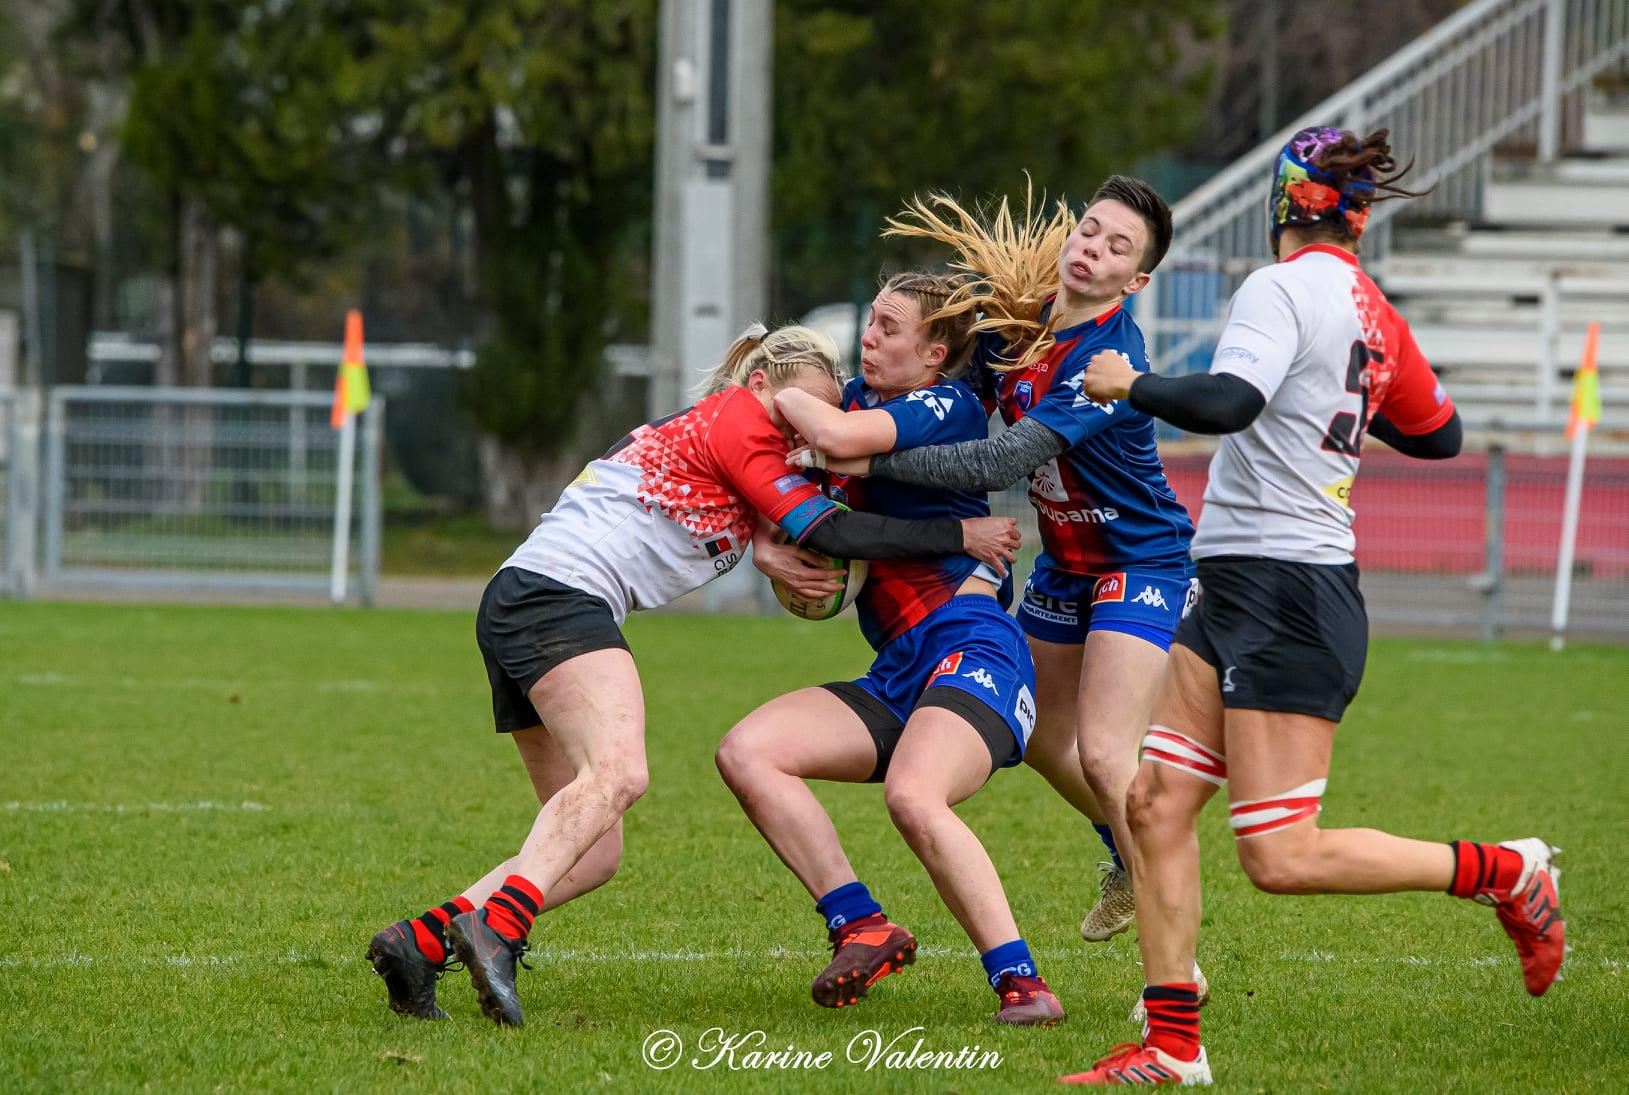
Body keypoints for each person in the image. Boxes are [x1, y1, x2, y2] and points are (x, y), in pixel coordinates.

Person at [1060, 127, 1564, 1086]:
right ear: (1357, 216)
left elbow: (1226, 404)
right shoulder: (1369, 307)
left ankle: (1505, 871)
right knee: (1155, 804)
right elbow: (1440, 434)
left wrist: (1133, 384)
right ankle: (1173, 1046)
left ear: (1281, 205)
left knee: (1279, 856)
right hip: (1246, 580)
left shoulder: (1278, 287)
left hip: (1290, 588)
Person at [364, 323, 1021, 1028]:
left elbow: (769, 513)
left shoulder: (739, 438)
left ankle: (421, 939)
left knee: (592, 850)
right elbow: (829, 531)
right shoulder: (738, 417)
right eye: (798, 410)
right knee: (619, 774)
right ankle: (499, 927)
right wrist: (958, 535)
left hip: (526, 600)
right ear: (761, 384)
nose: (805, 432)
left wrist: (767, 548)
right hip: (556, 599)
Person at [813, 178, 1203, 963]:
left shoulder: (1109, 361)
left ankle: (1174, 966)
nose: (1092, 247)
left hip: (1140, 561)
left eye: (1116, 246)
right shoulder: (1017, 331)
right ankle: (1127, 856)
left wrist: (857, 446)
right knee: (1046, 739)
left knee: (1101, 750)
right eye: (1089, 230)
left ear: (1136, 282)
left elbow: (1001, 455)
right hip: (1065, 565)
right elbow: (947, 388)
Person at [717, 272, 1063, 1025]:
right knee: (747, 751)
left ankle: (1022, 983)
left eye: (887, 327)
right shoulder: (846, 398)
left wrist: (774, 395)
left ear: (935, 352)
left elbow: (834, 443)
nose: (867, 337)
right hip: (898, 665)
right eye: (868, 323)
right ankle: (860, 924)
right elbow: (756, 473)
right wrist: (764, 546)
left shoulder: (948, 403)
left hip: (971, 644)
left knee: (913, 793)